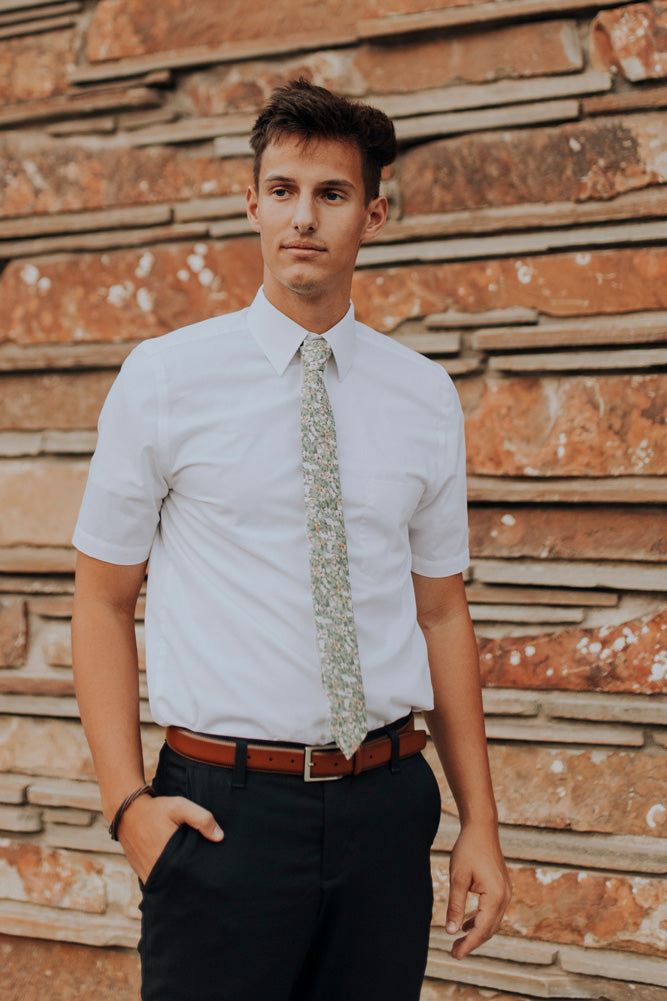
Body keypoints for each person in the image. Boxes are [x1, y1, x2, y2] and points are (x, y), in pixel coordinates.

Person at [71, 78, 511, 1001]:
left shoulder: (423, 395)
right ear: (251, 203)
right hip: (224, 815)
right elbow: (102, 598)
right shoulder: (165, 379)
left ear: (374, 213)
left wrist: (480, 822)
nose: (301, 217)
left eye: (331, 193)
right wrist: (127, 808)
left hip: (386, 809)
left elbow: (440, 613)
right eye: (282, 190)